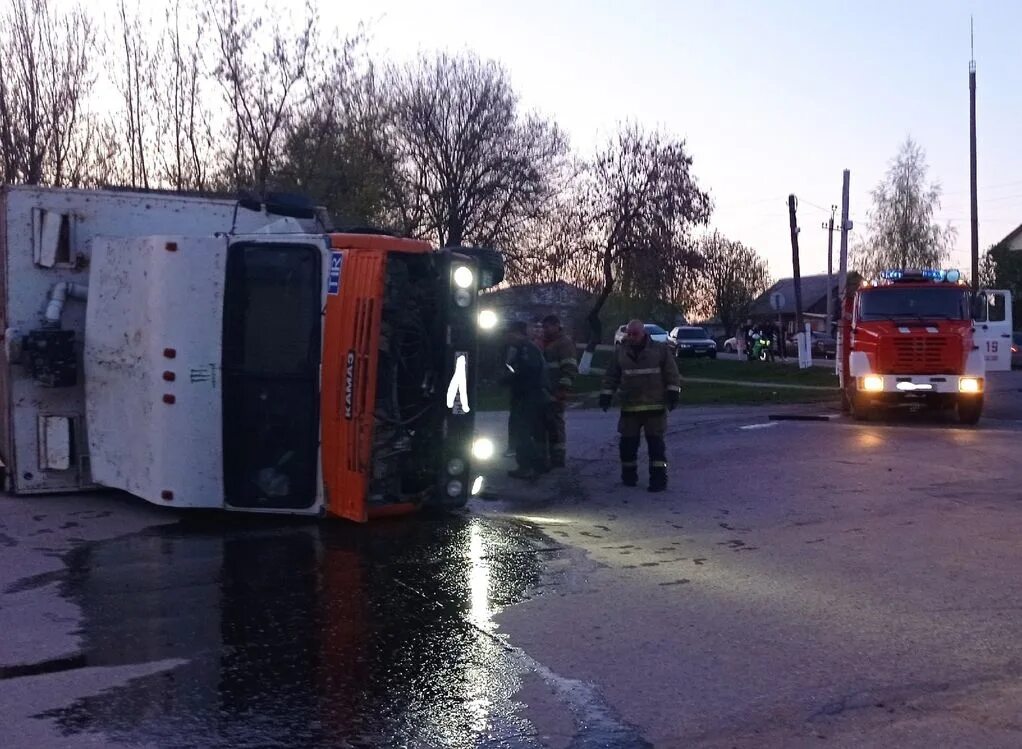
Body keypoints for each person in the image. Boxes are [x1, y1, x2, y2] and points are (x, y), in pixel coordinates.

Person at [599, 319, 681, 493]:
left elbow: (671, 373)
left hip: (655, 406)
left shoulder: (659, 350)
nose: (631, 337)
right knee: (627, 445)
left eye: (634, 334)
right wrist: (606, 395)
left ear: (643, 333)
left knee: (656, 446)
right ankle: (629, 476)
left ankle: (658, 479)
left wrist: (673, 393)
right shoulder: (620, 351)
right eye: (628, 334)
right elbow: (611, 375)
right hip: (630, 407)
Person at [503, 321, 550, 480]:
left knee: (523, 433)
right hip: (521, 396)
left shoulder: (527, 349)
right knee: (518, 432)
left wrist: (511, 379)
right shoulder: (517, 349)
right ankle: (524, 466)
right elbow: (512, 369)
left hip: (530, 396)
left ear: (517, 333)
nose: (506, 337)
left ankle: (538, 465)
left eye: (509, 334)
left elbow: (528, 373)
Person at [540, 314, 578, 468]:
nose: (545, 330)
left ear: (557, 326)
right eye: (544, 327)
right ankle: (547, 456)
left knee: (556, 424)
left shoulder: (564, 343)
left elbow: (570, 368)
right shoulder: (546, 343)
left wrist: (563, 389)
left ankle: (558, 458)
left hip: (556, 390)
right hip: (545, 390)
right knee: (545, 424)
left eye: (547, 326)